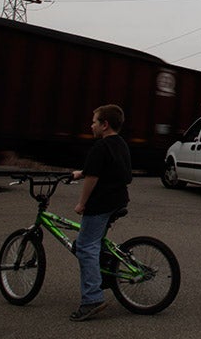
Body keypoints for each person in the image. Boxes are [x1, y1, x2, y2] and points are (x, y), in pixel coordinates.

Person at [70, 104, 132, 322]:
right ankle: (103, 272)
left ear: (105, 125)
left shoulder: (100, 146)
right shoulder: (120, 144)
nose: (91, 125)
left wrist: (81, 204)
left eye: (95, 121)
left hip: (101, 203)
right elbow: (106, 168)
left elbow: (93, 178)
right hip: (118, 199)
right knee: (91, 242)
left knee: (85, 247)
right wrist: (80, 173)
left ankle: (92, 299)